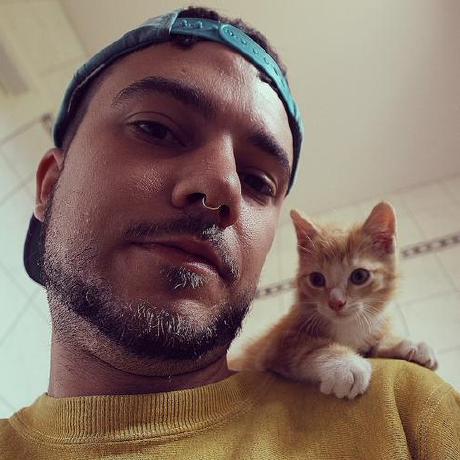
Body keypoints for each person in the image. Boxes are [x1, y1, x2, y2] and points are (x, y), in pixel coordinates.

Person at [0, 6, 458, 459]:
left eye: (258, 182)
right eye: (156, 130)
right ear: (51, 186)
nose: (222, 188)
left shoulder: (408, 409)